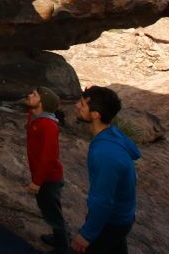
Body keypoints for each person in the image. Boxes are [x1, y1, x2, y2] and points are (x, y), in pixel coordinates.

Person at [71, 86, 141, 254]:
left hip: (112, 222)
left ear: (95, 115)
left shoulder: (105, 153)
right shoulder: (112, 134)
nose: (76, 105)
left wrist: (86, 234)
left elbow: (102, 201)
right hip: (122, 217)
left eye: (82, 104)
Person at [25, 86, 69, 253]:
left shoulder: (49, 126)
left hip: (49, 179)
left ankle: (63, 247)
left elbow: (48, 158)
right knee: (46, 208)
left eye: (34, 95)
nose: (30, 95)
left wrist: (37, 182)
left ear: (42, 103)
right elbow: (32, 114)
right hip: (41, 176)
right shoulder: (35, 116)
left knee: (53, 213)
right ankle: (58, 238)